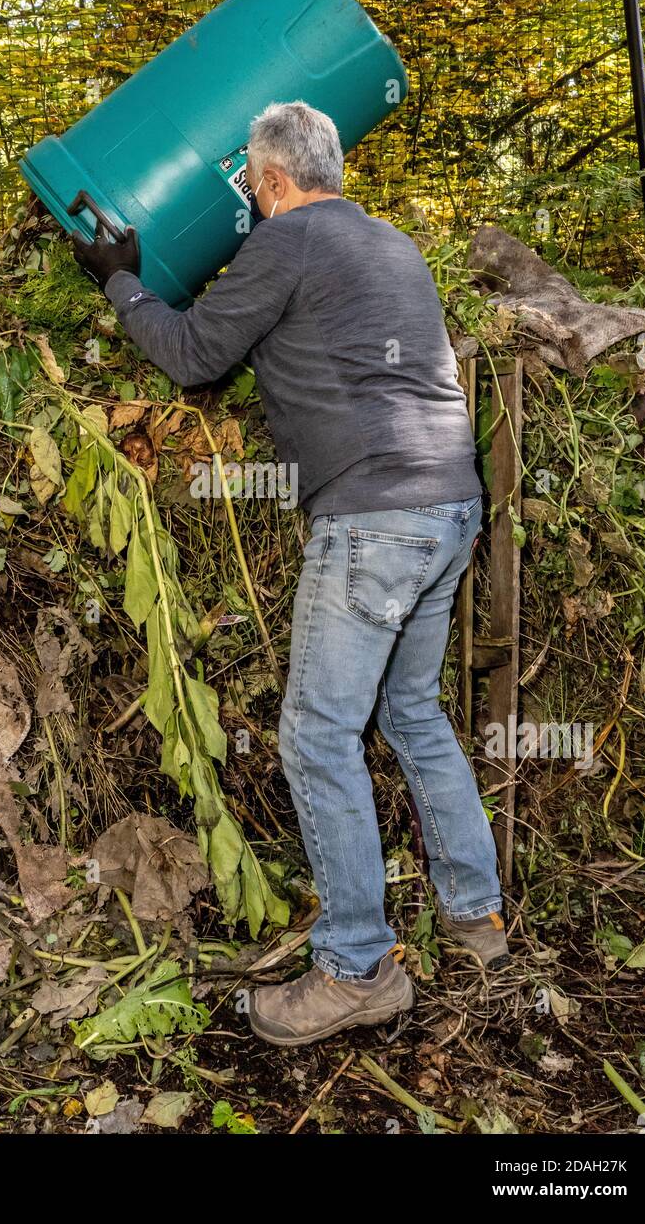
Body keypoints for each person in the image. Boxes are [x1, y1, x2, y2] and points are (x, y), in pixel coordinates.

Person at [71, 100, 508, 1049]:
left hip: (375, 519)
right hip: (450, 507)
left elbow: (192, 358)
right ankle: (477, 921)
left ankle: (357, 969)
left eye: (251, 189)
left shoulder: (289, 239)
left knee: (315, 737)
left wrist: (121, 284)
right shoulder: (392, 246)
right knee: (413, 712)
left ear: (271, 183)